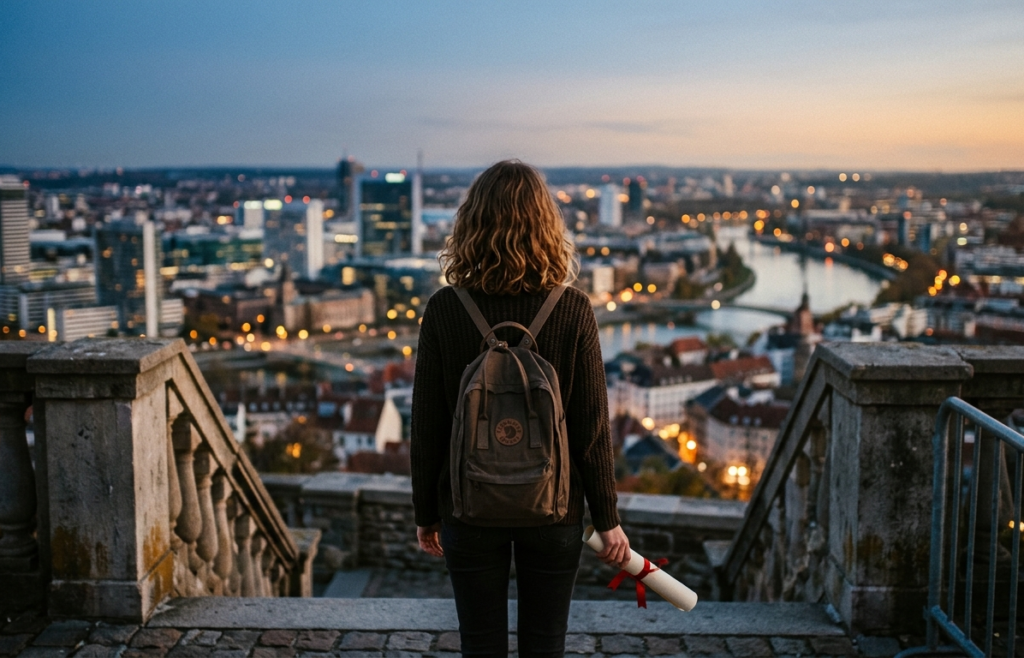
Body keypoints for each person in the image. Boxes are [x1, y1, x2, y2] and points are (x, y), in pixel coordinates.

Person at [411, 160, 630, 658]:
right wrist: (607, 517)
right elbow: (591, 429)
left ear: (470, 224)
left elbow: (426, 427)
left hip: (468, 507)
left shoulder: (445, 309)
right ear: (547, 225)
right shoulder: (572, 309)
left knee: (481, 646)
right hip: (554, 510)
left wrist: (427, 511)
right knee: (545, 646)